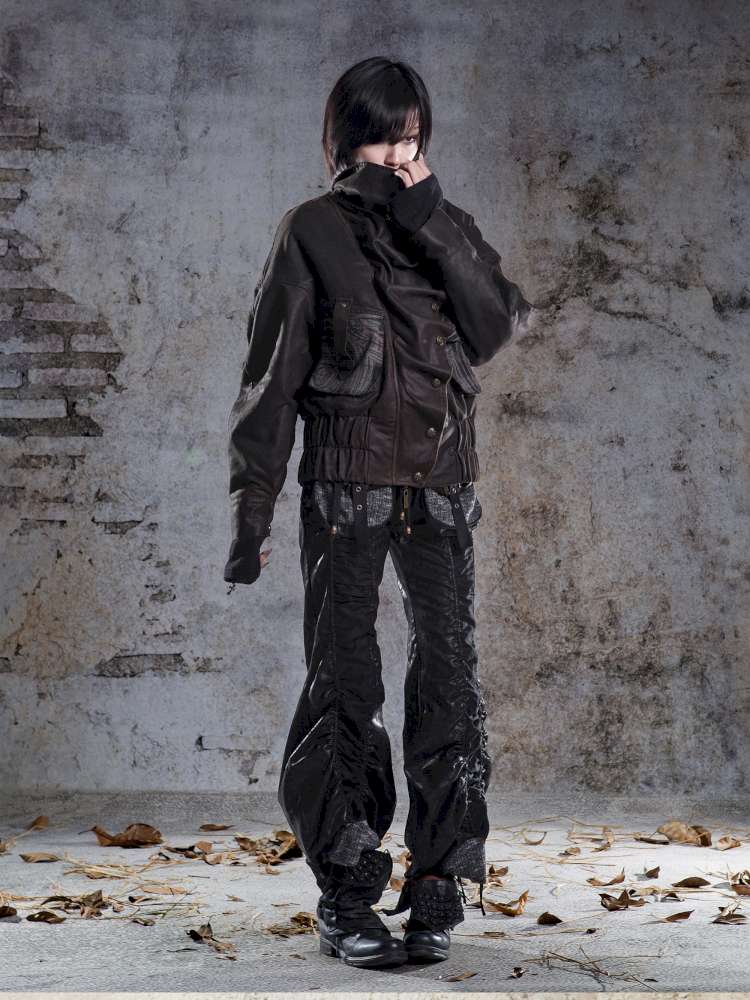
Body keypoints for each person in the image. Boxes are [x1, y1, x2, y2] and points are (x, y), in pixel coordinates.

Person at [224, 57, 532, 969]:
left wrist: (428, 214)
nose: (398, 155)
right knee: (342, 686)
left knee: (451, 686)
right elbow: (271, 380)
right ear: (344, 140)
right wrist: (253, 510)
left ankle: (438, 882)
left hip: (440, 490)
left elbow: (496, 326)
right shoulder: (312, 230)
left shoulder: (443, 222)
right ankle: (347, 890)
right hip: (345, 492)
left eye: (412, 137)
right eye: (381, 138)